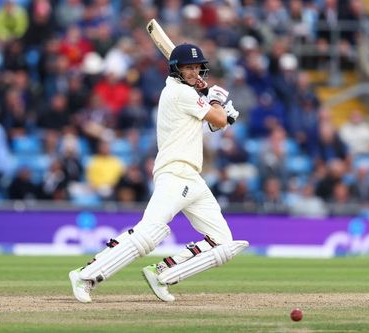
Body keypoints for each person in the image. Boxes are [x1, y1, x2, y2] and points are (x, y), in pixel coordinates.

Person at [69, 43, 248, 303]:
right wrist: (217, 101)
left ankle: (162, 272)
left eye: (197, 67)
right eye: (188, 67)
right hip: (175, 173)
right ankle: (85, 275)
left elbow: (207, 126)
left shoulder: (186, 95)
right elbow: (217, 118)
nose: (194, 71)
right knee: (148, 234)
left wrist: (220, 115)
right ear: (176, 69)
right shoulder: (179, 93)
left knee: (223, 243)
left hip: (192, 177)